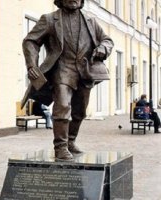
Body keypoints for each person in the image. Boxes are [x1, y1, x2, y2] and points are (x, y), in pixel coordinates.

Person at [22, 0, 114, 161]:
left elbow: (107, 41)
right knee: (62, 106)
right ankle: (60, 147)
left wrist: (102, 49)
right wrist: (31, 65)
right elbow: (31, 41)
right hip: (62, 70)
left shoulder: (91, 21)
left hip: (84, 71)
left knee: (80, 112)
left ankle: (70, 141)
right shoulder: (50, 19)